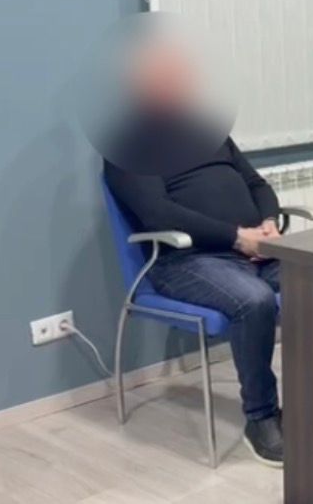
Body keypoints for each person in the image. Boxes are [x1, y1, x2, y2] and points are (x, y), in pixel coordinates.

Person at [102, 29, 287, 467]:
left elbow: (257, 184)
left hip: (252, 249)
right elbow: (157, 214)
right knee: (255, 301)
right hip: (185, 261)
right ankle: (262, 417)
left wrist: (269, 223)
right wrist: (237, 237)